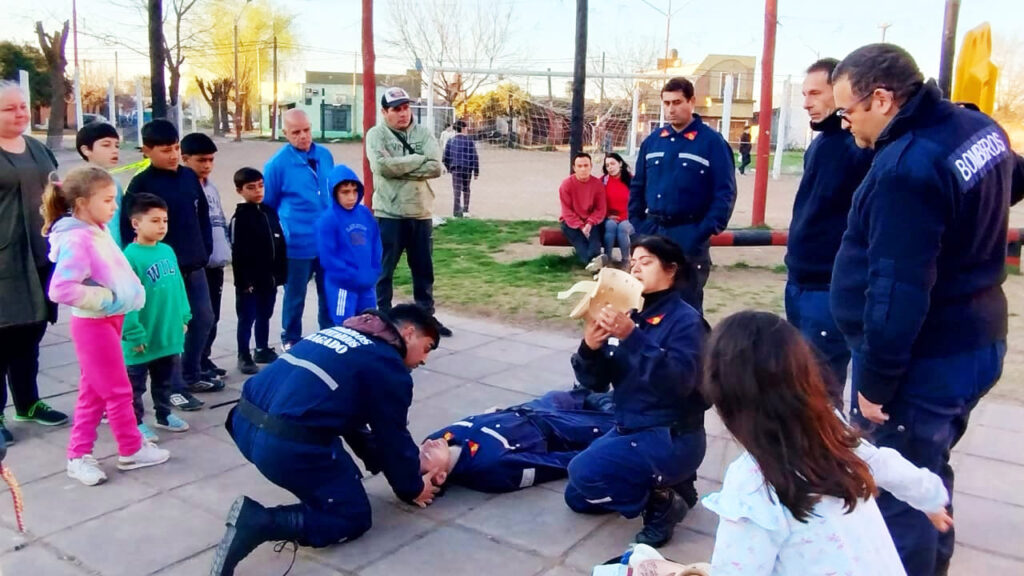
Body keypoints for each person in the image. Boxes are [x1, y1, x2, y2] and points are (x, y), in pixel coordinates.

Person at [830, 43, 1013, 575]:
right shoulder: (976, 130)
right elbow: (1011, 179)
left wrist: (876, 385)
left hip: (926, 358)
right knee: (929, 467)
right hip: (977, 337)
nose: (844, 124)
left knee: (898, 489)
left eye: (847, 111)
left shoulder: (906, 169)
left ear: (882, 99)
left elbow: (897, 290)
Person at [700, 311, 953, 576]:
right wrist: (932, 498)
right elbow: (885, 464)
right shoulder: (829, 428)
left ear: (725, 399)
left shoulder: (751, 484)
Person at [211, 305, 445, 575]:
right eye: (427, 348)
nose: (424, 360)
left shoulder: (338, 333)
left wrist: (374, 459)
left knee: (334, 467)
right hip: (285, 446)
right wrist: (412, 487)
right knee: (351, 516)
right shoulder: (388, 366)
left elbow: (349, 415)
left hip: (244, 424)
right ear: (409, 332)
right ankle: (260, 522)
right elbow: (393, 437)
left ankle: (318, 489)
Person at [564, 235, 707, 548]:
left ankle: (663, 503)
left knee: (584, 472)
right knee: (578, 496)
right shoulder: (629, 314)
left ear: (671, 270)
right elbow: (595, 383)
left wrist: (634, 337)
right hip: (631, 424)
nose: (636, 268)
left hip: (672, 434)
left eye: (646, 262)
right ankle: (674, 482)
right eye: (633, 262)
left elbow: (681, 384)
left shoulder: (686, 322)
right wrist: (589, 348)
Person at [43, 166, 170, 486]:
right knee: (117, 390)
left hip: (108, 321)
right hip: (94, 325)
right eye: (109, 199)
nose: (115, 206)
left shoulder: (94, 229)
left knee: (94, 393)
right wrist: (106, 298)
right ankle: (130, 448)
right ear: (84, 202)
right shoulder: (78, 238)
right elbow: (60, 289)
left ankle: (79, 454)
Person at [784, 58, 874, 406]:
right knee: (800, 377)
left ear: (841, 92)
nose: (807, 102)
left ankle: (825, 453)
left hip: (829, 285)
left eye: (816, 93)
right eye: (805, 94)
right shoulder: (820, 143)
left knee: (821, 387)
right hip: (799, 279)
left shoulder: (861, 145)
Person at [121, 120, 218, 410]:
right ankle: (173, 388)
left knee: (202, 319)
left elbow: (202, 215)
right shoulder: (141, 184)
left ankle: (191, 374)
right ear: (147, 151)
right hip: (158, 272)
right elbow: (130, 230)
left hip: (194, 264)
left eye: (176, 148)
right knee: (170, 327)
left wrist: (205, 249)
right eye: (165, 150)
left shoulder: (189, 177)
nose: (173, 155)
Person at [628, 77, 737, 314]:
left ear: (692, 101)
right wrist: (639, 226)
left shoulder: (711, 143)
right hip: (653, 231)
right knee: (647, 304)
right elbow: (637, 186)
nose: (670, 109)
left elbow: (725, 193)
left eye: (677, 102)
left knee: (685, 309)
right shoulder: (653, 142)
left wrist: (700, 232)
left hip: (688, 234)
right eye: (666, 103)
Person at [0, 81, 69, 443]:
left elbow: (57, 193)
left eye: (23, 106)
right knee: (3, 335)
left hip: (41, 255)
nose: (20, 113)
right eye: (9, 108)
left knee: (32, 331)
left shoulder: (38, 150)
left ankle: (28, 402)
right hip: (5, 263)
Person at [366, 87, 451, 336]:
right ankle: (383, 317)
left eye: (406, 108)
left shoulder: (423, 133)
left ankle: (426, 317)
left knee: (423, 269)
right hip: (389, 213)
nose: (403, 114)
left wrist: (400, 166)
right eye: (396, 109)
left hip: (420, 212)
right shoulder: (377, 135)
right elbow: (381, 167)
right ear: (385, 112)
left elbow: (436, 167)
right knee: (384, 270)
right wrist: (417, 160)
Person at [421, 389, 616, 493]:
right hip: (560, 429)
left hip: (533, 408)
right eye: (427, 454)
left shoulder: (438, 438)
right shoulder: (489, 467)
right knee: (620, 420)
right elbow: (552, 464)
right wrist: (589, 458)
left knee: (582, 392)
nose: (428, 444)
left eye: (421, 446)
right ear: (440, 477)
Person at [121, 193, 192, 443]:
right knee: (135, 385)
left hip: (167, 332)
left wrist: (184, 315)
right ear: (136, 224)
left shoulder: (167, 250)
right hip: (142, 335)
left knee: (164, 379)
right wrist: (133, 332)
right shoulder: (129, 257)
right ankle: (135, 422)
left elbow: (178, 286)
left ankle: (164, 414)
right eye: (154, 221)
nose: (161, 226)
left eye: (164, 220)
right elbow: (126, 299)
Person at [263, 109, 335, 351]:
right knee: (295, 294)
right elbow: (269, 204)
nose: (303, 136)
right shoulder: (276, 165)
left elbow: (332, 190)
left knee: (329, 291)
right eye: (296, 132)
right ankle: (291, 337)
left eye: (306, 130)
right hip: (296, 243)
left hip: (326, 241)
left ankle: (329, 333)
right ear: (286, 133)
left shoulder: (325, 155)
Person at [180, 132, 230, 382]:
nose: (207, 165)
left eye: (211, 160)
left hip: (215, 261)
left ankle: (203, 358)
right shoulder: (185, 186)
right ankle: (191, 366)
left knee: (213, 315)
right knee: (199, 317)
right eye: (201, 160)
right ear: (185, 158)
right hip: (196, 263)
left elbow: (218, 221)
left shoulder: (212, 188)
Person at [230, 168, 287, 375]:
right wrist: (244, 282)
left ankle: (261, 348)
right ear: (240, 190)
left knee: (266, 313)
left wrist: (281, 273)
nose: (257, 191)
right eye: (251, 187)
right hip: (250, 282)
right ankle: (243, 354)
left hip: (269, 279)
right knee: (247, 317)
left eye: (260, 186)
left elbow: (279, 242)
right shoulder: (240, 218)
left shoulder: (269, 212)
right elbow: (238, 253)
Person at [317, 165, 381, 325]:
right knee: (345, 325)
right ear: (334, 193)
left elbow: (376, 242)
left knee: (369, 323)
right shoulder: (328, 219)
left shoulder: (365, 213)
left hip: (367, 282)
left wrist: (374, 269)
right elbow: (328, 256)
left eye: (354, 191)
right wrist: (349, 275)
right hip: (343, 285)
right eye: (345, 192)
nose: (351, 197)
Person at [76, 121, 124, 243]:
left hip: (116, 252)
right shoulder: (78, 185)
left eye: (117, 146)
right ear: (86, 150)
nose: (114, 151)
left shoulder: (115, 183)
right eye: (106, 145)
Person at [559, 152, 607, 269]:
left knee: (595, 242)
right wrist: (580, 226)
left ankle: (593, 264)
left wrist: (590, 223)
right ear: (574, 168)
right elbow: (567, 211)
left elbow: (601, 209)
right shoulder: (566, 185)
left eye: (586, 165)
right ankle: (595, 265)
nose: (583, 169)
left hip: (592, 220)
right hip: (571, 222)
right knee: (580, 242)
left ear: (591, 166)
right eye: (579, 166)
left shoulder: (597, 184)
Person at [601, 153, 634, 267]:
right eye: (607, 165)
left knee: (623, 228)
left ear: (620, 163)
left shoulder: (632, 180)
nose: (610, 167)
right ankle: (607, 259)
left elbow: (638, 202)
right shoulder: (603, 181)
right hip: (611, 217)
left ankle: (626, 261)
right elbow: (598, 202)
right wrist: (606, 215)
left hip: (629, 217)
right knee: (610, 225)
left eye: (613, 163)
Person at [442, 120, 480, 218]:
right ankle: (466, 210)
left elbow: (445, 156)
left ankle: (456, 211)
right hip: (467, 168)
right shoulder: (469, 141)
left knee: (457, 189)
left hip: (456, 168)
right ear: (463, 128)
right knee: (466, 188)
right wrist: (476, 171)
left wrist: (449, 167)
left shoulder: (451, 141)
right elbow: (474, 156)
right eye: (466, 128)